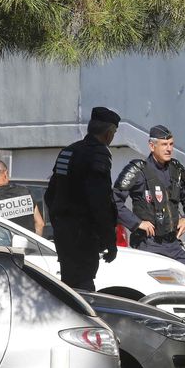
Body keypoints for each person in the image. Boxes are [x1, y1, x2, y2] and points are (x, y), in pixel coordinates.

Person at [45, 107, 120, 291]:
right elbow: (99, 201)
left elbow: (50, 194)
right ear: (109, 133)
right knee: (83, 286)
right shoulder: (99, 154)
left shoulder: (68, 152)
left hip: (65, 234)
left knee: (69, 283)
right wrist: (110, 241)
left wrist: (60, 224)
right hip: (84, 234)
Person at [113, 125, 185, 265]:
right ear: (152, 146)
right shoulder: (138, 170)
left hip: (173, 244)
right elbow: (114, 200)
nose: (169, 149)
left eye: (171, 144)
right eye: (164, 144)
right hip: (148, 244)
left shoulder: (176, 169)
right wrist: (137, 223)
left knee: (184, 283)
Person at [0, 159, 45, 235]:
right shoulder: (25, 192)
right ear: (6, 173)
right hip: (28, 245)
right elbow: (40, 224)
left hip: (2, 246)